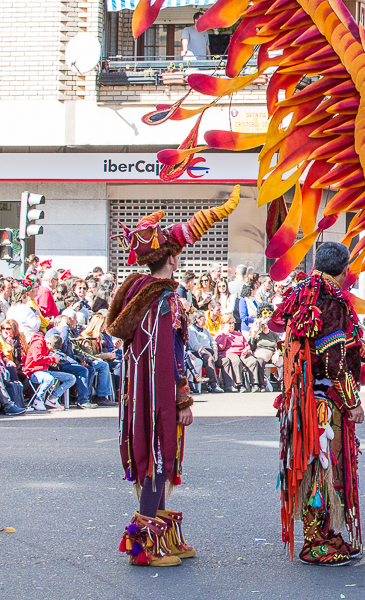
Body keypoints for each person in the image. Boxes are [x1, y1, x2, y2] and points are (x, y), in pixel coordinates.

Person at [106, 187, 239, 567]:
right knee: (158, 455)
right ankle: (143, 546)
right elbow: (170, 356)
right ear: (174, 258)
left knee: (156, 456)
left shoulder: (140, 294)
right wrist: (180, 400)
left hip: (142, 394)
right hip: (159, 396)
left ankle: (160, 538)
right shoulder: (164, 301)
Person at [271, 242, 365, 566]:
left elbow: (349, 341)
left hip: (306, 400)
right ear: (344, 271)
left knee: (324, 468)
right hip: (322, 406)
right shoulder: (331, 302)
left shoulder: (308, 293)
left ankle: (325, 534)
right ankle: (314, 541)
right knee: (323, 470)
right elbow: (335, 360)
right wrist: (353, 403)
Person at [21, 313, 76, 411]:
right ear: (48, 342)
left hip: (44, 370)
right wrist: (52, 359)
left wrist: (50, 363)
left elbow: (42, 361)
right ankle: (38, 400)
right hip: (33, 372)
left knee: (71, 378)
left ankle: (52, 398)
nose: (51, 351)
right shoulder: (38, 343)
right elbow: (37, 358)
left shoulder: (47, 345)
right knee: (49, 378)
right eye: (51, 349)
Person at [187, 312, 224, 394]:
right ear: (197, 319)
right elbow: (196, 346)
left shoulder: (205, 330)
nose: (205, 321)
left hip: (210, 350)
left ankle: (229, 385)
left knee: (225, 361)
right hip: (199, 352)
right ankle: (213, 385)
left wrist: (215, 352)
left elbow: (213, 342)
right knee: (209, 360)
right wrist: (209, 354)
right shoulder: (191, 330)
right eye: (203, 319)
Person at [248, 317, 280, 392]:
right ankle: (260, 384)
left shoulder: (274, 335)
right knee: (258, 361)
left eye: (266, 325)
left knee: (280, 361)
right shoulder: (258, 334)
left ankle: (279, 384)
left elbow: (280, 346)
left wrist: (277, 353)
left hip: (271, 352)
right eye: (262, 325)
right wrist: (253, 336)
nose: (265, 327)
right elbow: (252, 347)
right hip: (260, 352)